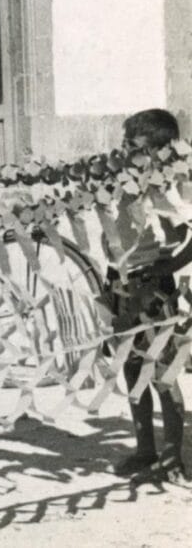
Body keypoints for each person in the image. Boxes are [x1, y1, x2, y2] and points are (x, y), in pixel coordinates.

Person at [107, 109, 189, 478]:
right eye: (124, 143)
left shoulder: (163, 187)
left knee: (162, 369)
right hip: (120, 282)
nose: (124, 149)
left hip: (152, 288)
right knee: (130, 364)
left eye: (132, 145)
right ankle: (144, 449)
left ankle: (172, 456)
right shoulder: (122, 181)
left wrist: (168, 266)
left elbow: (183, 233)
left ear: (157, 151)